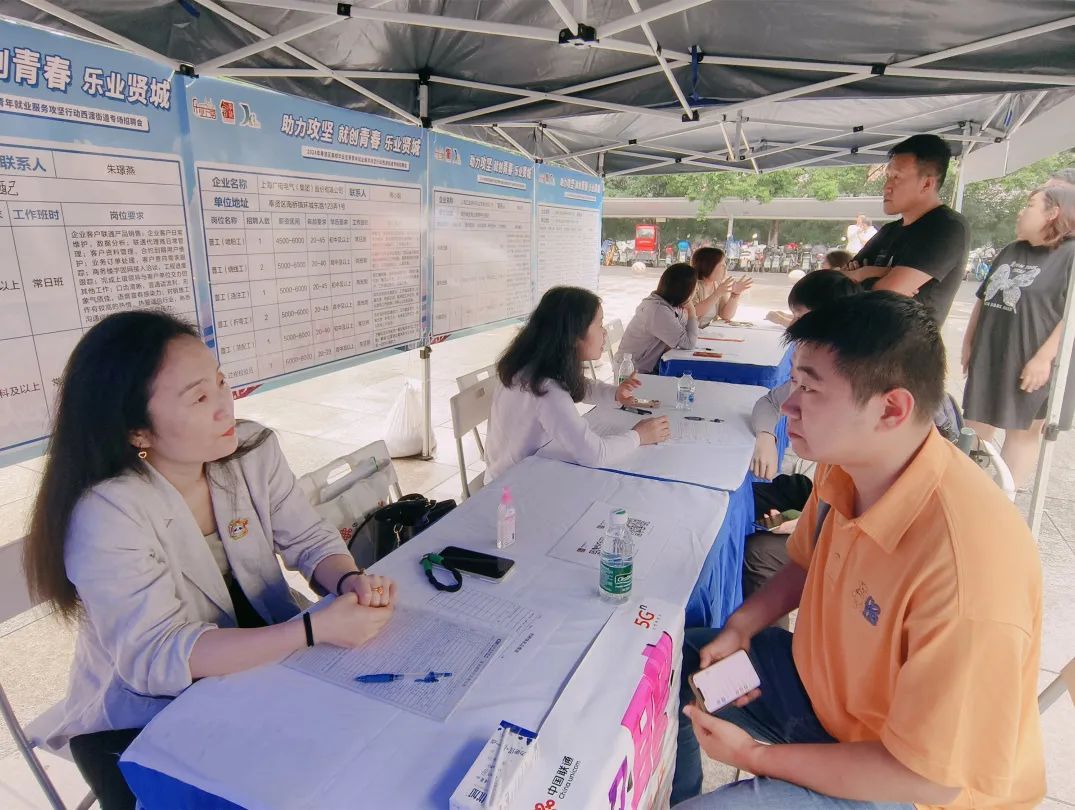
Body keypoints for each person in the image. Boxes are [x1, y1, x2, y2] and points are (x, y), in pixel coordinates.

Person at [672, 292, 1045, 810]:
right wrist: (740, 627)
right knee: (675, 661)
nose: (788, 405)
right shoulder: (847, 461)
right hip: (822, 699)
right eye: (794, 382)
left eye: (810, 388)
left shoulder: (968, 571)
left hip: (901, 783)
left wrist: (755, 756)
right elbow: (805, 560)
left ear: (891, 409)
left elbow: (929, 780)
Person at [23, 311, 396, 810]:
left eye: (220, 382)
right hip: (147, 718)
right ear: (138, 432)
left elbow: (308, 538)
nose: (226, 405)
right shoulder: (107, 512)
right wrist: (312, 630)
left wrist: (348, 580)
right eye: (199, 398)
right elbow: (159, 655)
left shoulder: (250, 451)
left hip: (261, 669)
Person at [485, 286, 670, 482]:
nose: (604, 333)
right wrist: (639, 436)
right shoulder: (545, 389)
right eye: (599, 324)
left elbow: (579, 385)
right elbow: (594, 455)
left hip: (520, 470)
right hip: (511, 486)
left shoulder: (533, 366)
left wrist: (615, 394)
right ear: (574, 335)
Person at [962, 184, 1075, 486]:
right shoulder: (1012, 249)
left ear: (1053, 213)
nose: (1020, 212)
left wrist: (1044, 358)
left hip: (1032, 357)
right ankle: (967, 491)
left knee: (1022, 432)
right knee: (974, 426)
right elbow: (984, 298)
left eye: (1030, 205)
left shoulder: (1070, 255)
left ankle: (1003, 498)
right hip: (991, 352)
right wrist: (969, 341)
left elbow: (1071, 316)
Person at [844, 134, 970, 325]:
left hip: (901, 342)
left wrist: (860, 275)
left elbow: (884, 296)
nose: (886, 187)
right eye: (887, 177)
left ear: (927, 184)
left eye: (897, 177)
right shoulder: (889, 230)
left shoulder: (947, 227)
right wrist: (871, 274)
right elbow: (837, 284)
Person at [616, 263, 700, 374]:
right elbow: (688, 343)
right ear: (685, 291)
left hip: (647, 367)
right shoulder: (658, 310)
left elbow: (683, 332)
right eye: (694, 288)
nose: (696, 291)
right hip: (633, 372)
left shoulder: (668, 305)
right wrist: (692, 310)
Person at [691, 246, 753, 328]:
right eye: (721, 265)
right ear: (708, 266)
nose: (725, 268)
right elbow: (693, 313)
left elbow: (725, 315)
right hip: (690, 333)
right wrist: (717, 294)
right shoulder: (692, 285)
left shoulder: (717, 284)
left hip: (707, 332)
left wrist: (735, 295)